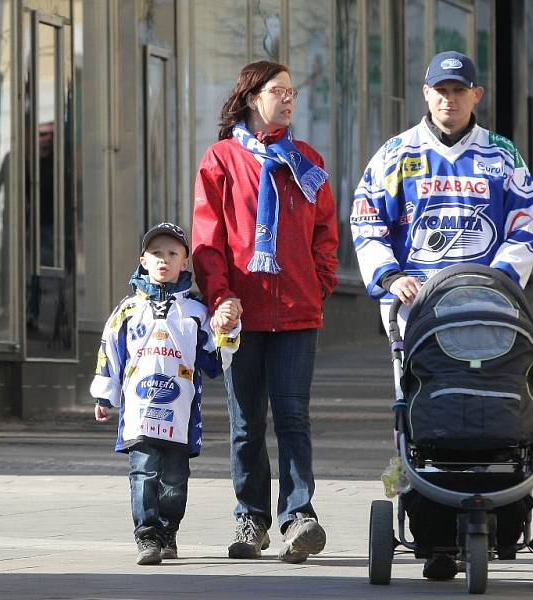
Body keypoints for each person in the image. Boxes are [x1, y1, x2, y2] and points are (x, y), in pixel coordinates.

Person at [351, 51, 533, 580]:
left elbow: (525, 222)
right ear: (425, 93)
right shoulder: (397, 155)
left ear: (476, 95)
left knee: (496, 401)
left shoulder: (502, 157)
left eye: (459, 91)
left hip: (488, 306)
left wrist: (499, 281)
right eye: (440, 90)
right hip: (418, 312)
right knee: (420, 414)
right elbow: (367, 221)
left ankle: (503, 514)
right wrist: (390, 277)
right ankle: (434, 531)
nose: (449, 100)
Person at [192, 60, 339, 564]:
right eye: (280, 91)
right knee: (246, 422)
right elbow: (208, 242)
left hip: (298, 314)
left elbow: (325, 231)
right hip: (240, 316)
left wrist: (320, 282)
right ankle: (251, 517)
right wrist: (219, 298)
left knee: (294, 419)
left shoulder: (307, 160)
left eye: (293, 93)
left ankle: (299, 516)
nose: (289, 99)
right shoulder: (221, 160)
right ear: (253, 96)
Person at [90, 222, 240, 566]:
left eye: (172, 254)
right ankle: (146, 535)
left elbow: (214, 363)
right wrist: (105, 395)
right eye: (156, 253)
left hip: (180, 414)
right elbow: (109, 351)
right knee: (143, 472)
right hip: (139, 413)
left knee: (174, 480)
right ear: (143, 260)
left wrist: (228, 333)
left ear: (185, 263)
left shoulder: (197, 313)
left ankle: (168, 530)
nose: (163, 260)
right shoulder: (127, 311)